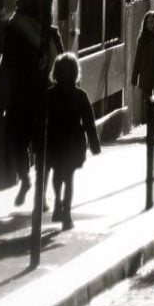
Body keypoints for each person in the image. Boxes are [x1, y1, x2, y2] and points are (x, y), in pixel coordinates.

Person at [0, 0, 63, 208]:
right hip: (43, 96)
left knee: (18, 143)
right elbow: (62, 63)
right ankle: (39, 192)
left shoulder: (13, 29)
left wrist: (1, 99)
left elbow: (7, 65)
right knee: (43, 146)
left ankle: (26, 180)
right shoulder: (49, 32)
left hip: (19, 97)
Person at [45, 53, 101, 230]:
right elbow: (89, 122)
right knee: (68, 177)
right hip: (73, 141)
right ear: (75, 72)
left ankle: (57, 205)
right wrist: (94, 145)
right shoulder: (80, 95)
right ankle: (66, 214)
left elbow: (40, 119)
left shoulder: (50, 95)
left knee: (56, 173)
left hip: (54, 140)